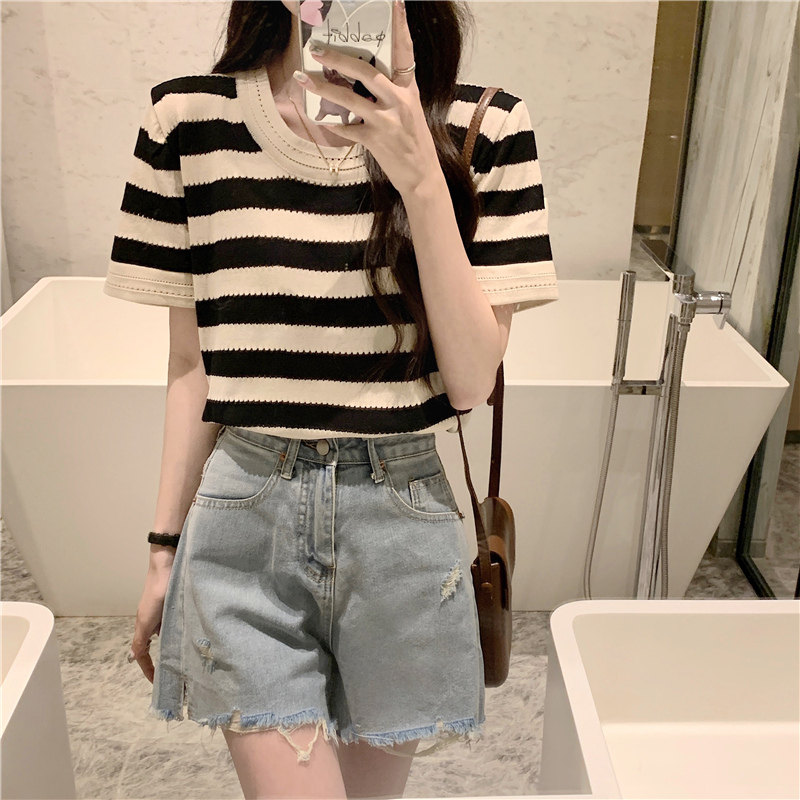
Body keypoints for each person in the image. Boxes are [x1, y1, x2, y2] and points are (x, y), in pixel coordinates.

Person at [107, 1, 558, 797]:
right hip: (245, 522)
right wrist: (161, 552)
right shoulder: (188, 120)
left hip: (401, 529)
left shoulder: (486, 127)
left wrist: (419, 171)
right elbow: (191, 363)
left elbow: (469, 381)